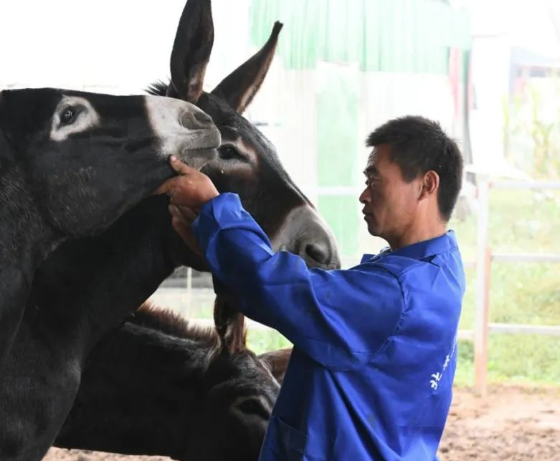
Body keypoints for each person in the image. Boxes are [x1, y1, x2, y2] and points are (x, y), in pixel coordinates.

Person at [157, 115, 466, 460]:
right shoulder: (441, 269)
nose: (364, 195)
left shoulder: (398, 292)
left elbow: (280, 288)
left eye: (375, 180)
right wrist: (222, 255)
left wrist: (214, 210)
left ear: (426, 185)